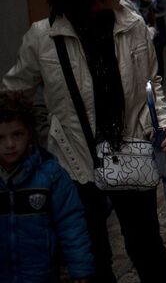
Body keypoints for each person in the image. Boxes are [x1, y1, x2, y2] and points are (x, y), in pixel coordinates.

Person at [2, 0, 166, 282]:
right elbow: (12, 92)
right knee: (92, 257)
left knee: (148, 250)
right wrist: (32, 138)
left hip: (132, 152)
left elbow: (151, 83)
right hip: (76, 163)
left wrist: (165, 123)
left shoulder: (134, 24)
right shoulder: (44, 37)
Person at [0, 92, 95, 283]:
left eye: (17, 134)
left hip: (41, 273)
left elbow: (71, 224)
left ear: (29, 133)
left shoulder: (51, 175)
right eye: (0, 137)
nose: (9, 144)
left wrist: (80, 268)